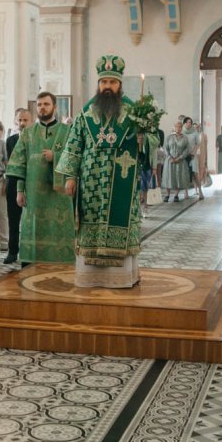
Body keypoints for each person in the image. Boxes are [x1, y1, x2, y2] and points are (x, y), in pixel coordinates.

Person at [57, 55, 155, 288]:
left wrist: (143, 140)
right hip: (90, 184)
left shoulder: (134, 113)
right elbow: (74, 143)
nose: (107, 87)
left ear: (119, 85)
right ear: (98, 85)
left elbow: (151, 142)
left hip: (122, 178)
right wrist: (70, 176)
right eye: (103, 82)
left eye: (112, 82)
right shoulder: (86, 113)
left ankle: (121, 277)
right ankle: (90, 276)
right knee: (89, 223)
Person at [6, 93, 75, 264]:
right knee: (33, 228)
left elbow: (75, 158)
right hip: (33, 194)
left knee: (56, 229)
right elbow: (20, 164)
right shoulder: (28, 133)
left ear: (54, 107)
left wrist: (56, 156)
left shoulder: (67, 132)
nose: (42, 107)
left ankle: (60, 265)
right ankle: (31, 265)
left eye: (46, 104)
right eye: (39, 104)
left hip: (58, 194)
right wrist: (19, 190)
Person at [3, 109, 30, 263]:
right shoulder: (11, 140)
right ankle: (12, 251)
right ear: (15, 122)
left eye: (25, 120)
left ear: (31, 121)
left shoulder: (34, 139)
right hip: (13, 182)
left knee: (28, 219)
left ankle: (28, 251)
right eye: (19, 120)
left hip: (29, 181)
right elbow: (10, 162)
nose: (22, 123)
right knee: (13, 218)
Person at [162, 120, 191, 202]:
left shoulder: (185, 138)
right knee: (168, 177)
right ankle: (167, 195)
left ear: (181, 128)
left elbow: (186, 150)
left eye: (179, 127)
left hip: (180, 161)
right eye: (176, 126)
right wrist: (170, 157)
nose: (178, 128)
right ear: (174, 127)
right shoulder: (169, 137)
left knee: (178, 177)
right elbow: (165, 148)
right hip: (170, 160)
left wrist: (179, 158)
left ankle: (176, 195)